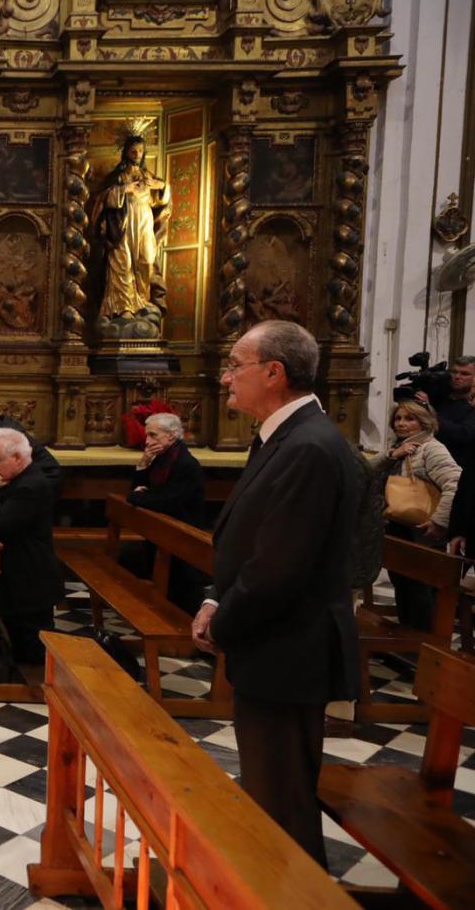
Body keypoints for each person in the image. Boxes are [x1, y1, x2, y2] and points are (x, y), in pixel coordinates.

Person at [190, 320, 358, 869]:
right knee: (270, 792)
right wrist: (216, 598)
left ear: (274, 372)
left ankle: (296, 894)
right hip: (273, 646)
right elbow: (253, 540)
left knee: (283, 800)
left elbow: (278, 568)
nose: (224, 378)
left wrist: (222, 622)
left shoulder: (309, 447)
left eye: (235, 365)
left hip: (291, 649)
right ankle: (268, 886)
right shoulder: (284, 436)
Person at [0, 427, 63, 670]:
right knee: (21, 647)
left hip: (30, 580)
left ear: (18, 458)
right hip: (18, 575)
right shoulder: (15, 480)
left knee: (35, 653)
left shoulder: (30, 486)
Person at [379, 399, 460, 630]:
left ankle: (422, 646)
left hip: (423, 528)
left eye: (410, 418)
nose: (402, 424)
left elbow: (454, 484)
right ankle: (406, 639)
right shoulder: (398, 447)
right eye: (398, 418)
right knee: (402, 584)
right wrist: (393, 455)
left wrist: (439, 521)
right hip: (399, 524)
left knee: (420, 589)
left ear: (424, 422)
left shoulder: (432, 448)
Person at [119, 412, 207, 614]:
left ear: (172, 435)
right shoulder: (161, 458)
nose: (148, 441)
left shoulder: (185, 464)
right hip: (161, 534)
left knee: (183, 597)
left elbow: (164, 501)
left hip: (183, 536)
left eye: (153, 435)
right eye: (147, 435)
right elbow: (139, 488)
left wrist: (137, 497)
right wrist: (143, 463)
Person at [92, 135, 171, 328]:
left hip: (144, 223)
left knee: (146, 262)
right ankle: (123, 307)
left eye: (141, 151)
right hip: (122, 226)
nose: (137, 155)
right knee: (122, 263)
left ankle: (142, 302)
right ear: (126, 152)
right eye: (133, 151)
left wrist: (163, 187)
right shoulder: (118, 177)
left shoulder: (148, 176)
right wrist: (123, 189)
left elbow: (161, 201)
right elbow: (101, 200)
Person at [415, 355, 475, 470]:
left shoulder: (471, 406)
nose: (457, 377)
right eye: (454, 372)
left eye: (465, 374)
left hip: (457, 466)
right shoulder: (439, 396)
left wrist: (429, 412)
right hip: (426, 461)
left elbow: (464, 434)